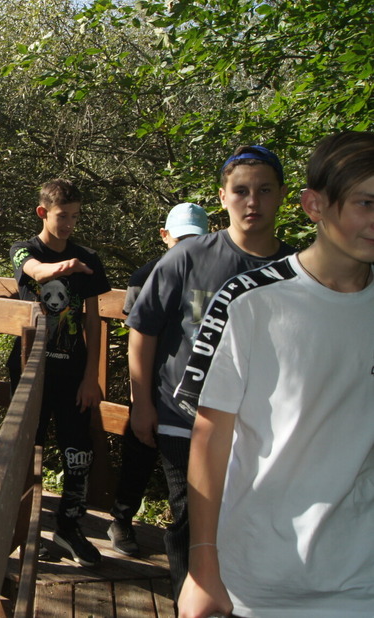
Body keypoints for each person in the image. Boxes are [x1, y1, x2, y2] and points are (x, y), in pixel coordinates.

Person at [176, 131, 374, 618]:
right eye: (366, 203)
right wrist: (203, 565)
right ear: (314, 205)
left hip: (359, 575)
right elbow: (209, 434)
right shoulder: (248, 302)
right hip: (259, 575)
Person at [126, 145, 295, 597]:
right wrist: (141, 405)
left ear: (283, 195)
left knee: (249, 520)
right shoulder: (188, 257)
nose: (252, 202)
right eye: (240, 191)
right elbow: (142, 329)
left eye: (264, 190)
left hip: (260, 425)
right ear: (223, 197)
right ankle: (191, 600)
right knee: (190, 518)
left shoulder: (296, 270)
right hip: (184, 417)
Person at [10, 179, 111, 567]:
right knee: (25, 452)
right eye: (61, 216)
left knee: (77, 452)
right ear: (43, 213)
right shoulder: (24, 250)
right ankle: (19, 526)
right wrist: (63, 268)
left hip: (73, 373)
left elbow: (94, 321)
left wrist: (91, 378)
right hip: (30, 370)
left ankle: (69, 527)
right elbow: (34, 271)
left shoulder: (89, 257)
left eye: (74, 216)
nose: (68, 223)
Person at [108, 202, 208, 556]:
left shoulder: (215, 276)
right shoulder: (146, 275)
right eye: (180, 238)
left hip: (197, 388)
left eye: (193, 239)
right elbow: (134, 328)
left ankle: (194, 540)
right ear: (165, 236)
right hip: (152, 385)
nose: (185, 246)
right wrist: (141, 399)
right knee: (140, 455)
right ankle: (121, 521)